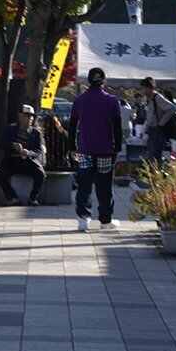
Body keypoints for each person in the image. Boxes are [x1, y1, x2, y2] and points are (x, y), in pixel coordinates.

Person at [69, 67, 123, 232]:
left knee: (84, 183)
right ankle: (106, 220)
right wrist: (118, 148)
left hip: (84, 149)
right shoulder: (112, 101)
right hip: (105, 149)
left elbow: (72, 125)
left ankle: (83, 217)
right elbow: (117, 127)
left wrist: (72, 147)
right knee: (104, 185)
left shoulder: (79, 101)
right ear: (104, 81)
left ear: (88, 82)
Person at [0, 104, 47, 206]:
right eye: (27, 115)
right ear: (20, 116)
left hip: (28, 161)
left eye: (32, 116)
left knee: (41, 174)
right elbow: (0, 144)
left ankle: (33, 198)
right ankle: (12, 197)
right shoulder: (10, 130)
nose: (30, 118)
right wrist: (12, 145)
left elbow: (38, 150)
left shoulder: (36, 133)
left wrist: (29, 153)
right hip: (12, 161)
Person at [140, 77, 176, 163]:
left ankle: (157, 175)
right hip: (151, 130)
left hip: (158, 131)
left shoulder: (157, 97)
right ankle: (154, 175)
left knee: (155, 157)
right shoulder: (148, 100)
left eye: (146, 88)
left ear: (151, 88)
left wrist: (162, 122)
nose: (144, 91)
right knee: (151, 156)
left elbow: (172, 108)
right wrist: (144, 129)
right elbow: (149, 117)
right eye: (143, 88)